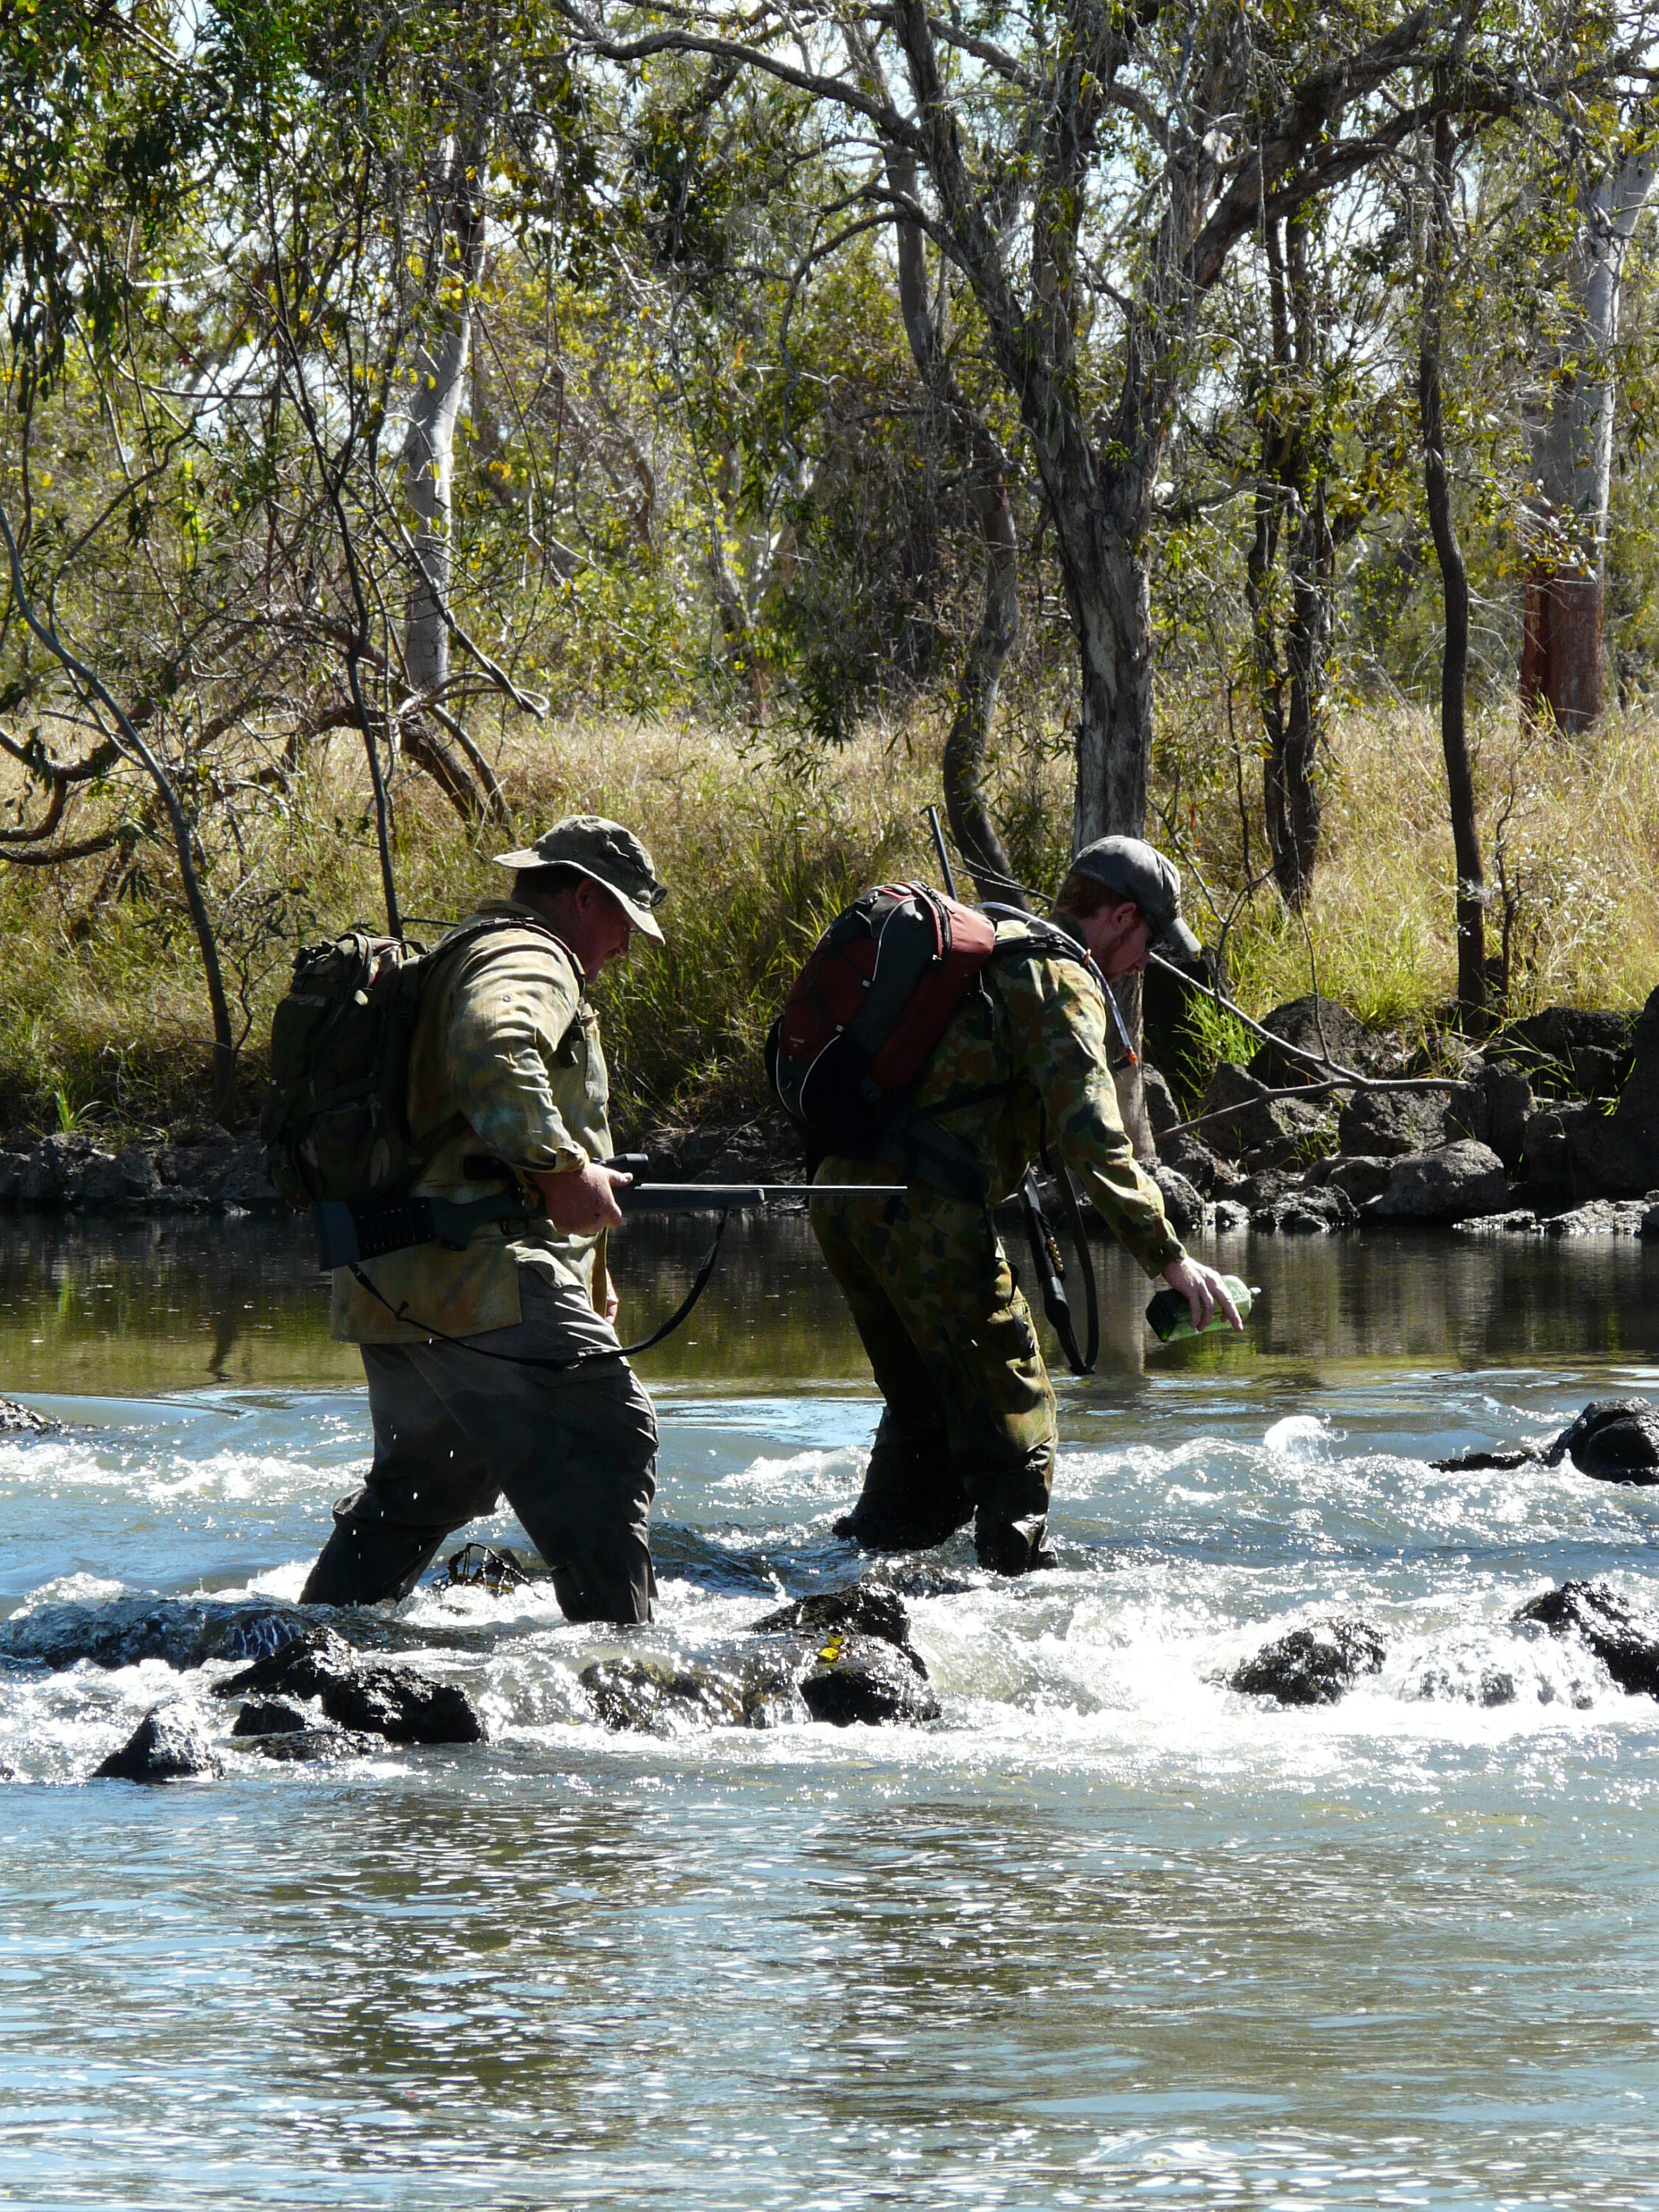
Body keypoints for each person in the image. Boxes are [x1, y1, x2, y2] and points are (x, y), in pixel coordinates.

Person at [812, 834, 1240, 1574]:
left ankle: (860, 1576)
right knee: (1019, 1415)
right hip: (927, 1211)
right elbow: (1092, 1137)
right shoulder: (1061, 976)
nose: (1146, 959)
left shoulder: (994, 946)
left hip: (842, 1197)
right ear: (1117, 916)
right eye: (1148, 938)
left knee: (926, 1411)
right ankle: (1013, 1588)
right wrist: (1168, 1258)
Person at [300, 815, 667, 1623]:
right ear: (582, 897)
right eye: (623, 923)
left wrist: (583, 1270)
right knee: (606, 1438)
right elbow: (497, 1045)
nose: (625, 949)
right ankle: (627, 1672)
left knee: (430, 1483)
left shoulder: (468, 954)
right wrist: (562, 1169)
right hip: (478, 1280)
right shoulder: (532, 955)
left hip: (396, 1276)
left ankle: (307, 1649)